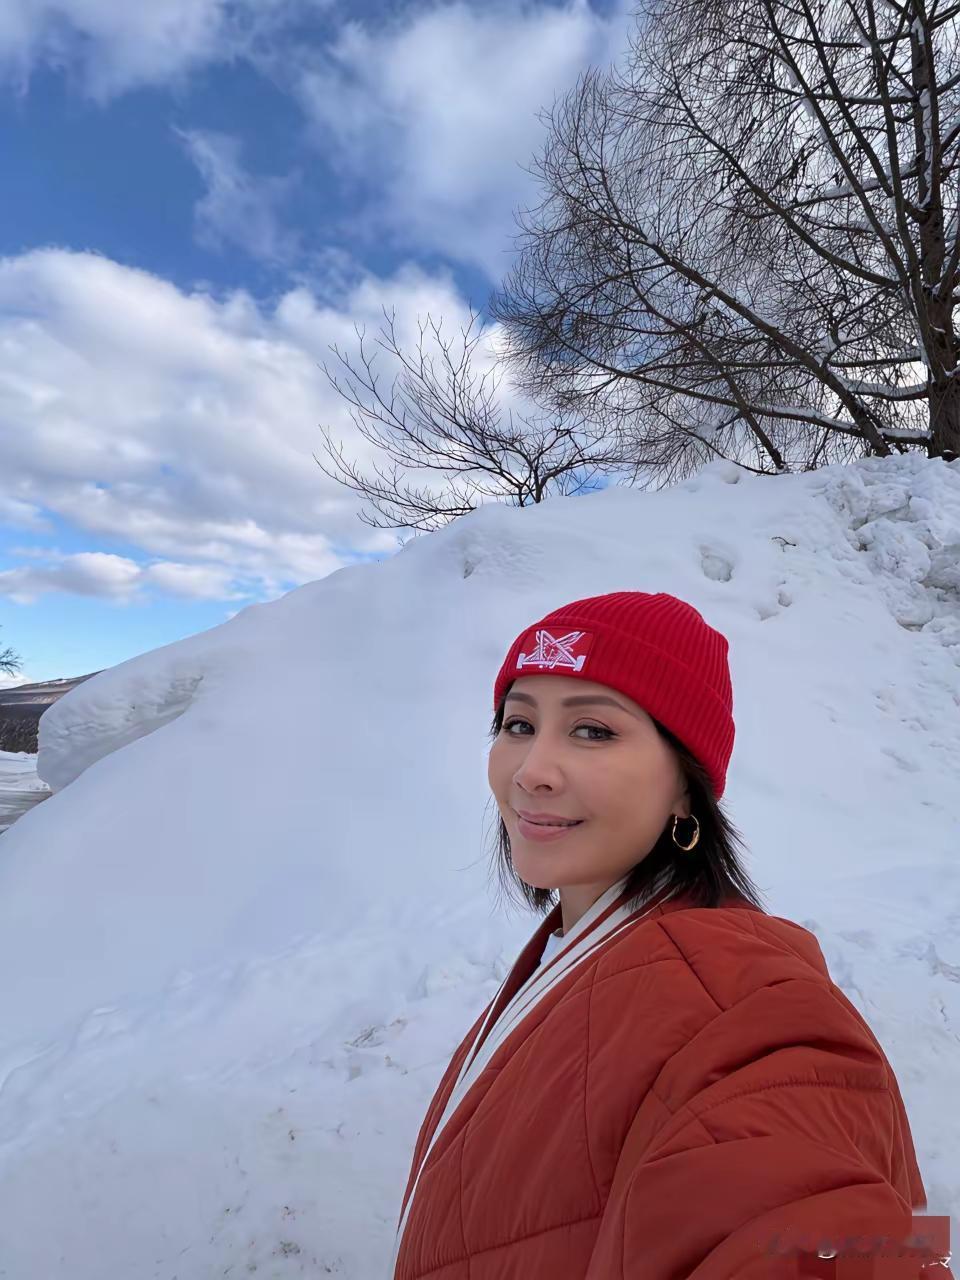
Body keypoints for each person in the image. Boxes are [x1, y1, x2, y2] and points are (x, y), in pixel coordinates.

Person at [390, 592, 951, 1279]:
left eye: (592, 730)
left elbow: (805, 1223)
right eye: (518, 724)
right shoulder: (573, 950)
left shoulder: (746, 1011)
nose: (531, 770)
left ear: (686, 785)